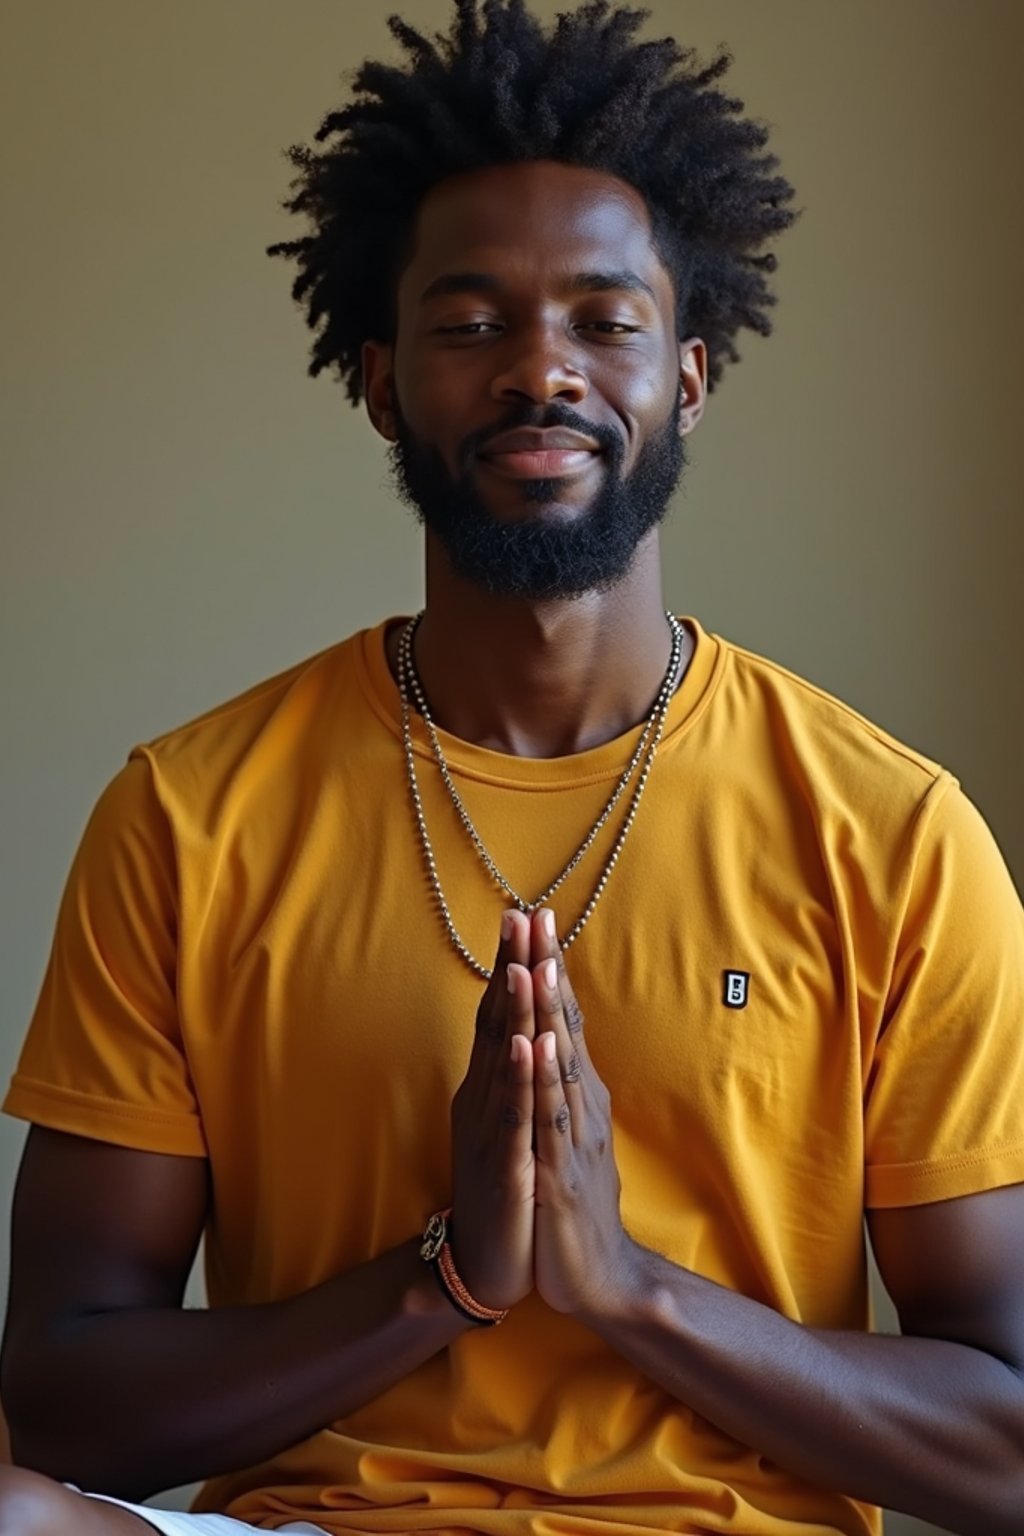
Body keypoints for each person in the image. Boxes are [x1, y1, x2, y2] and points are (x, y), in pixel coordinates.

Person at [1, 3, 1022, 1534]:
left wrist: (626, 1290)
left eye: (603, 321)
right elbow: (69, 1401)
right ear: (380, 380)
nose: (540, 369)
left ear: (689, 376)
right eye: (471, 322)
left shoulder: (892, 831)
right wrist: (449, 1278)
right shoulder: (191, 814)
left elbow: (1009, 1444)